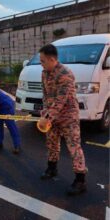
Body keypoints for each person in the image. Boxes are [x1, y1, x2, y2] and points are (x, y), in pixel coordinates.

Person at [37, 44, 87, 195]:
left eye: (43, 61)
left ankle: (80, 180)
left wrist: (47, 117)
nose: (41, 64)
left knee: (74, 147)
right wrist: (45, 113)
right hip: (52, 117)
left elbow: (61, 100)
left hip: (68, 117)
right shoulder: (44, 73)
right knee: (51, 142)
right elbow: (46, 95)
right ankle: (52, 168)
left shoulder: (66, 74)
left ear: (52, 59)